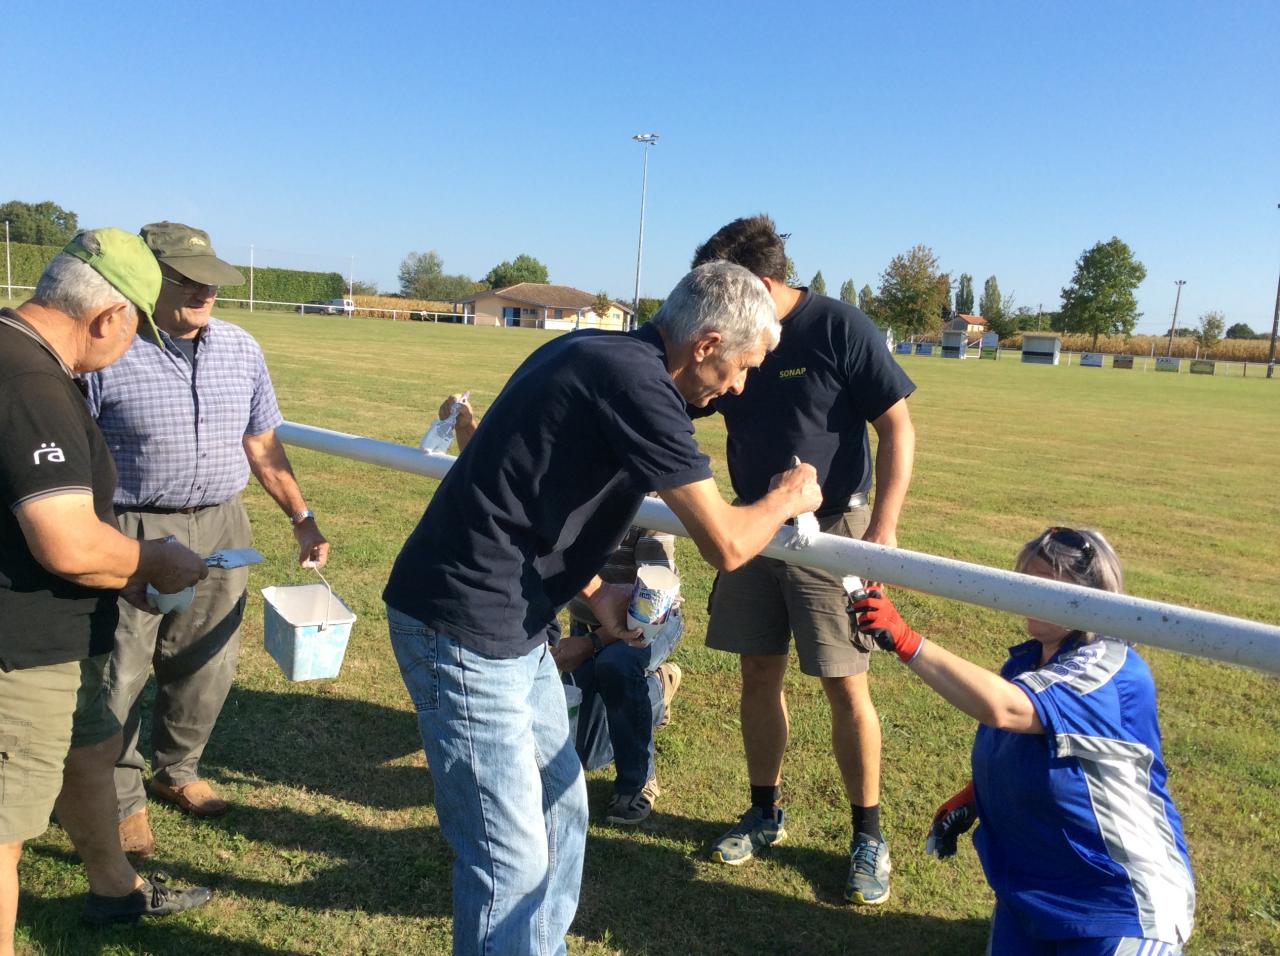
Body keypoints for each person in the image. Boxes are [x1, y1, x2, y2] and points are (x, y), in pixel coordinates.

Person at [384, 261, 823, 956]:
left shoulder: (595, 355)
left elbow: (527, 494)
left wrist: (593, 591)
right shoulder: (640, 385)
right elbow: (728, 544)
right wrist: (792, 496)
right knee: (508, 861)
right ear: (706, 344)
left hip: (514, 620)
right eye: (741, 367)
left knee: (563, 811)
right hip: (462, 626)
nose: (740, 386)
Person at [85, 221, 330, 856]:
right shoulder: (108, 348)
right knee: (121, 667)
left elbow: (262, 441)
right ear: (146, 277)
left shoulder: (241, 349)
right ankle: (119, 799)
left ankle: (178, 771)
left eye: (210, 281)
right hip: (132, 526)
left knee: (208, 663)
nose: (202, 292)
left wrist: (301, 517)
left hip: (223, 522)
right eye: (185, 279)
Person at [691, 215, 916, 905]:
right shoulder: (731, 333)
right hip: (749, 524)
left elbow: (897, 425)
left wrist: (882, 526)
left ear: (760, 285)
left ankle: (867, 836)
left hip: (833, 530)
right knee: (758, 672)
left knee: (845, 681)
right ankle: (765, 812)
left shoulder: (841, 327)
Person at [0, 230, 213, 949]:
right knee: (3, 833)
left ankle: (114, 890)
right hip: (17, 650)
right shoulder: (30, 383)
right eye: (137, 329)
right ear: (107, 317)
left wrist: (117, 576)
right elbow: (63, 538)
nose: (134, 345)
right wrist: (150, 559)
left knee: (89, 748)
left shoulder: (14, 349)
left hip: (58, 631)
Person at [851, 527, 1196, 953]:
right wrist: (975, 796)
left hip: (1119, 904)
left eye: (1045, 585)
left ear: (1092, 595)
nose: (1027, 594)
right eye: (1025, 581)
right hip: (1031, 899)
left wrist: (905, 639)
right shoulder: (1029, 659)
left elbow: (1006, 708)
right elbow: (1040, 748)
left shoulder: (1111, 672)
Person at [441, 399, 684, 827]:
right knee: (587, 753)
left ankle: (637, 781)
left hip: (645, 622)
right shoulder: (566, 485)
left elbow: (653, 599)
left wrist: (589, 645)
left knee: (617, 666)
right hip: (588, 622)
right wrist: (466, 427)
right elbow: (500, 488)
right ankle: (658, 693)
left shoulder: (647, 500)